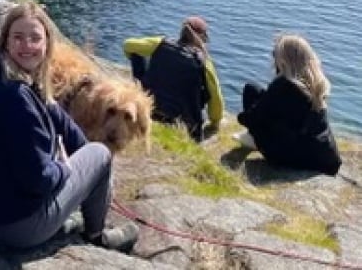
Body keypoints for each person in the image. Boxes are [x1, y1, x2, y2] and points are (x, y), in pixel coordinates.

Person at [0, 1, 139, 251]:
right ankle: (97, 236)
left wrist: (87, 169)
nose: (27, 45)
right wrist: (65, 167)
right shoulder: (16, 99)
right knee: (101, 153)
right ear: (6, 41)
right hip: (13, 227)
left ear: (47, 45)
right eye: (19, 37)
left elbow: (62, 122)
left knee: (91, 156)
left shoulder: (1, 75)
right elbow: (39, 179)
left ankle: (75, 215)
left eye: (35, 38)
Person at [236, 34, 342, 175]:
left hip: (295, 158)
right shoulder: (317, 83)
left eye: (275, 54)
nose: (273, 59)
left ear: (284, 60)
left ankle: (252, 140)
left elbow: (252, 118)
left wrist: (243, 117)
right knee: (257, 92)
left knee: (251, 91)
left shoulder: (283, 86)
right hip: (326, 158)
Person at [123, 16, 223, 141]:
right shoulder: (204, 62)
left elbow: (128, 45)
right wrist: (215, 121)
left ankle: (141, 97)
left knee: (136, 53)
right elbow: (216, 97)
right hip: (185, 122)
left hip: (152, 109)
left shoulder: (161, 43)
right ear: (203, 37)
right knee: (205, 88)